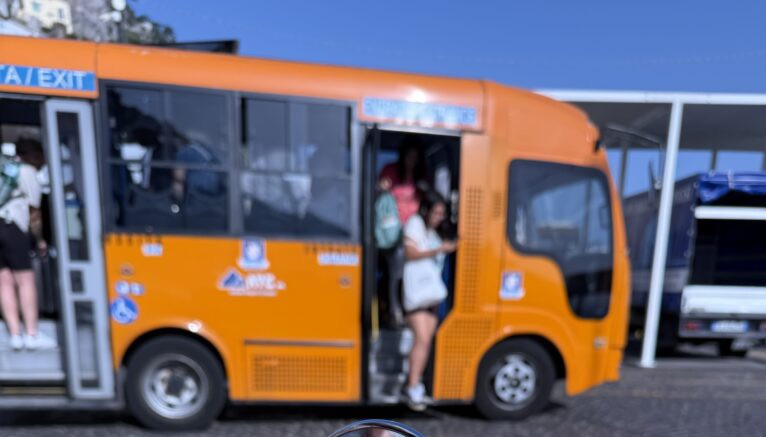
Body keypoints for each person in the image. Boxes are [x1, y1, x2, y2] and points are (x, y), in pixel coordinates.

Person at [402, 191, 456, 411]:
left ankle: (416, 385)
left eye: (442, 214)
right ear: (426, 210)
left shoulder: (435, 231)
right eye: (436, 213)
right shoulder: (415, 224)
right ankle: (412, 386)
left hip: (432, 292)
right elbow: (410, 253)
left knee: (426, 341)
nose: (439, 217)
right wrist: (438, 249)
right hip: (417, 292)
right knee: (422, 339)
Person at [0, 138, 55, 351]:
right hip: (13, 226)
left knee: (4, 281)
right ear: (33, 155)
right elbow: (34, 212)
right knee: (25, 280)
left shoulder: (5, 168)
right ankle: (32, 334)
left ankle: (15, 335)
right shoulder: (27, 171)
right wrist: (39, 239)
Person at [377, 137, 429, 327]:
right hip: (391, 231)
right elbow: (377, 195)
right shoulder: (390, 171)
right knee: (396, 269)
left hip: (413, 231)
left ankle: (410, 308)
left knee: (412, 270)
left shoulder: (421, 176)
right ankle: (395, 309)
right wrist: (380, 187)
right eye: (409, 157)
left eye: (415, 158)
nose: (411, 161)